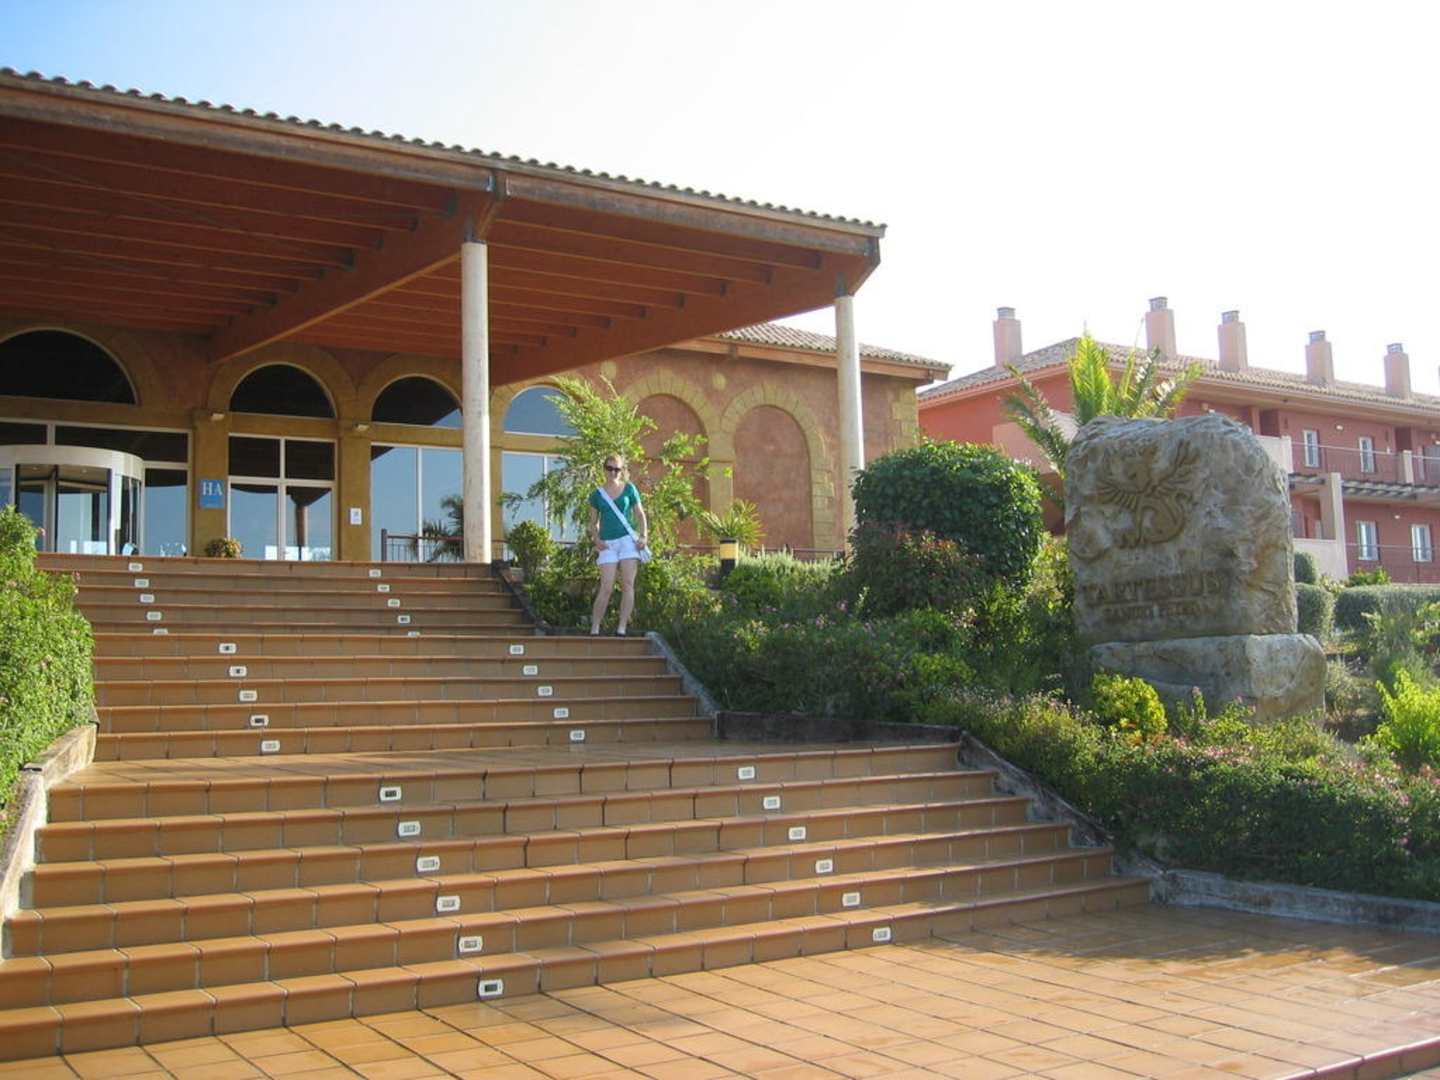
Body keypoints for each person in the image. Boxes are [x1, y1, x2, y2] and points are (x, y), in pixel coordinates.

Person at [588, 454, 649, 636]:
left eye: (617, 469)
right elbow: (592, 522)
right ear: (604, 469)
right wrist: (596, 539)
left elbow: (640, 514)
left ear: (622, 471)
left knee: (628, 584)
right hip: (607, 543)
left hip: (628, 541)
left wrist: (644, 536)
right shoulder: (597, 494)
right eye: (610, 468)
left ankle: (622, 628)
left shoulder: (629, 489)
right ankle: (595, 628)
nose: (613, 472)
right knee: (606, 586)